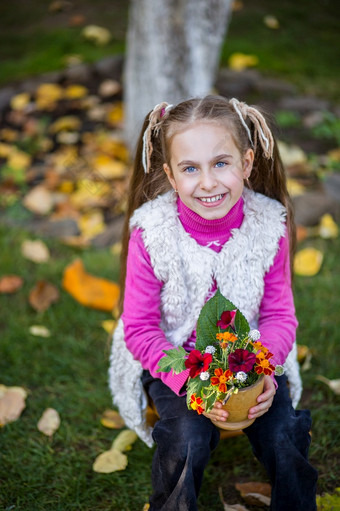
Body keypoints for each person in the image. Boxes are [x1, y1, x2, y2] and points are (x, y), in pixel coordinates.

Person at [109, 95, 318, 511]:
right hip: (177, 363)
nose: (207, 182)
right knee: (185, 436)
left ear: (247, 162)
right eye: (190, 168)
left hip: (250, 359)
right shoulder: (152, 233)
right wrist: (194, 385)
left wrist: (262, 374)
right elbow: (140, 329)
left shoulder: (269, 226)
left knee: (282, 431)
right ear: (170, 174)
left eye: (221, 163)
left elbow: (278, 315)